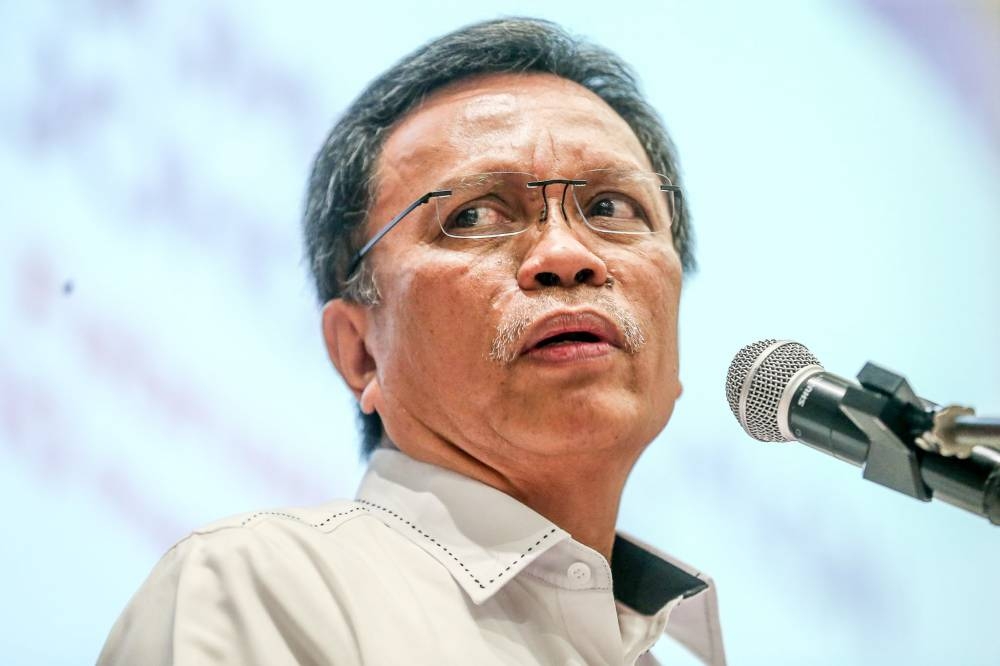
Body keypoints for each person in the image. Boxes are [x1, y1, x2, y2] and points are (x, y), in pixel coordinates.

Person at [98, 17, 726, 666]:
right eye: (474, 215)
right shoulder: (261, 588)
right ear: (360, 351)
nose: (567, 256)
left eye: (610, 208)